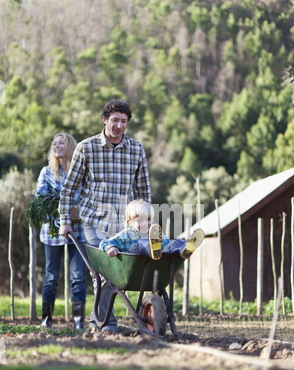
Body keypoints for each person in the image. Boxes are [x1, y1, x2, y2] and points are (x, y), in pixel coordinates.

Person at [59, 100, 151, 335]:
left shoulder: (136, 149)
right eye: (115, 120)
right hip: (95, 221)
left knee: (115, 274)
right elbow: (69, 188)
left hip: (125, 224)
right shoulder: (86, 148)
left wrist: (147, 221)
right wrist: (65, 221)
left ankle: (96, 322)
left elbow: (143, 190)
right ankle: (107, 325)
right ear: (105, 120)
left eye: (124, 121)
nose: (119, 125)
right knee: (103, 273)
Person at [36, 132, 87, 330]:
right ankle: (46, 320)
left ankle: (78, 322)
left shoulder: (80, 172)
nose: (57, 146)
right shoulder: (46, 172)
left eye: (61, 143)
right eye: (54, 143)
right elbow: (40, 198)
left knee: (77, 276)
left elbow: (86, 197)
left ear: (70, 147)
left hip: (78, 230)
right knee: (51, 276)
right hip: (53, 231)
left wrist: (76, 212)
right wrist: (59, 213)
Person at [99, 199, 205, 260]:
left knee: (172, 243)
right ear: (129, 222)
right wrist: (110, 248)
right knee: (141, 244)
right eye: (139, 221)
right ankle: (152, 248)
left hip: (153, 268)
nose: (145, 223)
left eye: (148, 219)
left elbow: (168, 244)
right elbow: (104, 242)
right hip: (135, 267)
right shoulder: (126, 234)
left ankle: (184, 247)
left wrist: (176, 244)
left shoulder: (155, 234)